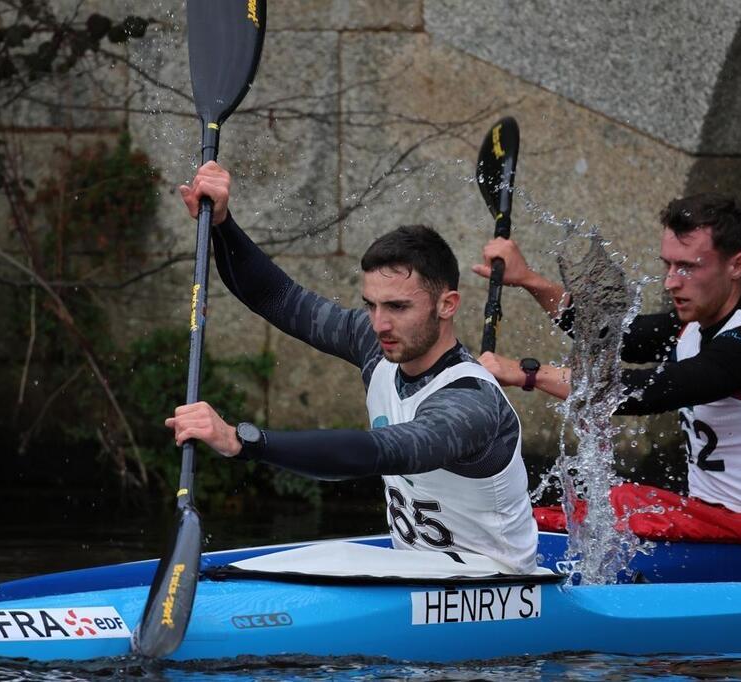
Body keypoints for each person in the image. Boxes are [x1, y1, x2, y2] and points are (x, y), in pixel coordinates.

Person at [164, 161, 539, 573]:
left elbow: (374, 452)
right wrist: (221, 223)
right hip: (414, 574)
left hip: (494, 588)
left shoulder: (471, 405)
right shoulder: (377, 343)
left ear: (446, 305)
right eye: (371, 305)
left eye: (397, 307)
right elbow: (278, 298)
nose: (379, 324)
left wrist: (243, 441)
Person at [475, 193, 741, 523]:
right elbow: (603, 332)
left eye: (687, 267)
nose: (671, 282)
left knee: (618, 504)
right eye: (668, 265)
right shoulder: (689, 326)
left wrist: (527, 373)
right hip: (716, 521)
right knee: (599, 511)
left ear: (736, 265)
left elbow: (647, 392)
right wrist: (529, 279)